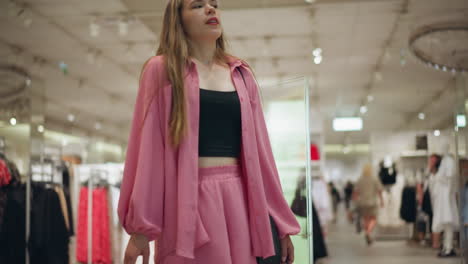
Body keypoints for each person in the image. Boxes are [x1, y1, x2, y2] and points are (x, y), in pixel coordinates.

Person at [117, 1, 300, 264]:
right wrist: (140, 231)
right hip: (189, 201)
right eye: (198, 5)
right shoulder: (162, 70)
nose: (211, 9)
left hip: (241, 201)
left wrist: (281, 224)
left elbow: (262, 157)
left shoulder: (241, 74)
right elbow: (147, 154)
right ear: (177, 18)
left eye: (214, 4)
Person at [352, 164, 384, 245]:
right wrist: (382, 201)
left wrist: (355, 202)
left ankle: (367, 232)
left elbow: (355, 192)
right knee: (374, 218)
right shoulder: (374, 179)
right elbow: (379, 191)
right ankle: (368, 232)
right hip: (372, 202)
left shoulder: (360, 179)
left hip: (362, 202)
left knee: (366, 219)